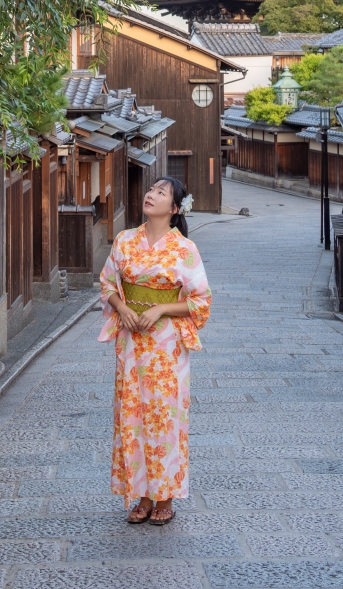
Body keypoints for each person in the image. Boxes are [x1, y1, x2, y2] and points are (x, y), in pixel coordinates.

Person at [98, 175, 212, 526]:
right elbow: (106, 283)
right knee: (132, 417)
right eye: (150, 190)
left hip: (166, 345)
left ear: (174, 209)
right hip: (132, 340)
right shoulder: (125, 240)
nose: (151, 195)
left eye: (161, 193)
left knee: (163, 416)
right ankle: (142, 495)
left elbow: (201, 301)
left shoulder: (184, 249)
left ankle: (164, 496)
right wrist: (123, 307)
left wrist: (161, 308)